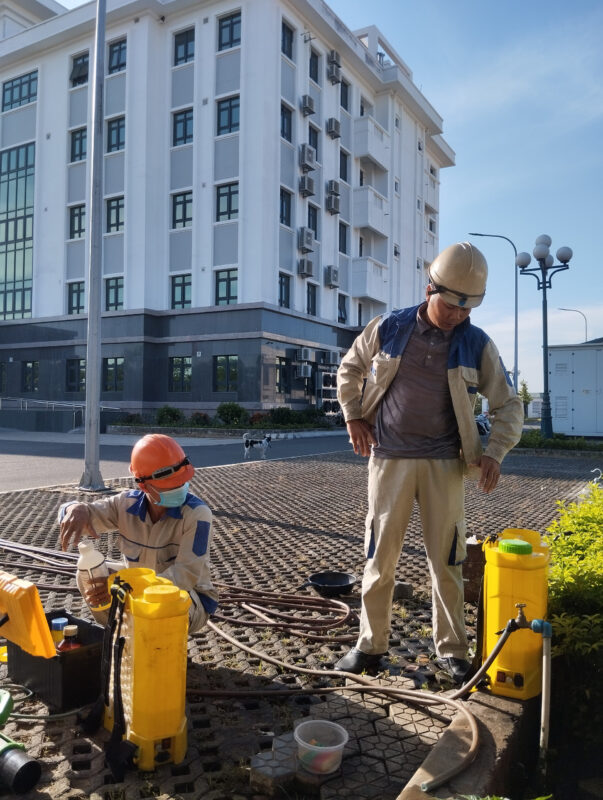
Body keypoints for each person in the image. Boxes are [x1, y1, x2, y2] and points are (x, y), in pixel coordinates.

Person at [334, 242, 523, 683]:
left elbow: (508, 405)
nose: (458, 315)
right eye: (452, 305)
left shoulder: (476, 344)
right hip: (389, 460)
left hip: (444, 465)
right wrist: (354, 416)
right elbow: (350, 369)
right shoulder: (389, 327)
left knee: (448, 560)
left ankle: (452, 649)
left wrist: (494, 452)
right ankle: (370, 645)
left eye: (466, 308)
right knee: (380, 557)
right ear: (429, 288)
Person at [59, 433, 218, 634]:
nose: (179, 488)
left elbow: (184, 577)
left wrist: (124, 590)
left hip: (187, 598)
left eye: (181, 482)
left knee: (160, 606)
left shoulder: (197, 515)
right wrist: (74, 508)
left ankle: (156, 650)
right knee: (89, 577)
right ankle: (117, 634)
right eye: (170, 485)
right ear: (142, 484)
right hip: (136, 592)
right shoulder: (124, 504)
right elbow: (84, 516)